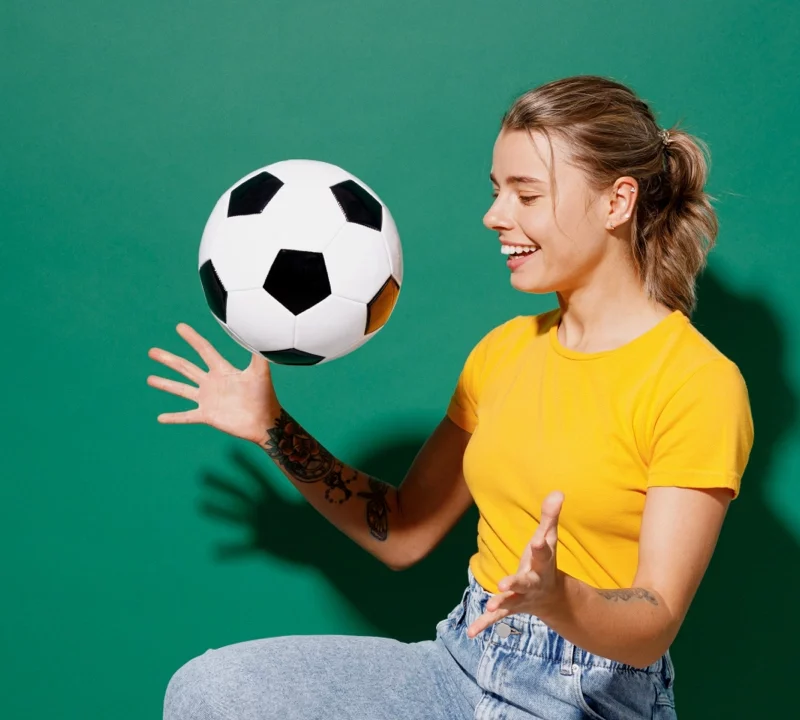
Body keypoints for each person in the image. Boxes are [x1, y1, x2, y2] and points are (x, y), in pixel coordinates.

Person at [148, 75, 754, 719]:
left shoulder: (697, 383)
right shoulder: (503, 352)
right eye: (497, 192)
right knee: (209, 692)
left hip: (586, 698)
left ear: (617, 201)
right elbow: (404, 530)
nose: (496, 216)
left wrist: (559, 597)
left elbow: (656, 618)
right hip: (459, 663)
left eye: (527, 194)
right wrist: (271, 425)